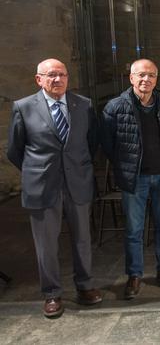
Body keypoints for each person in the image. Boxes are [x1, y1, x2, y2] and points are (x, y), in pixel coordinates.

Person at [7, 59, 102, 318]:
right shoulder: (24, 107)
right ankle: (52, 293)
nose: (57, 79)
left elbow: (91, 141)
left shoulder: (83, 105)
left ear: (68, 78)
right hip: (42, 186)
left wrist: (76, 167)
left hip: (77, 183)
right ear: (39, 79)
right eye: (51, 75)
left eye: (62, 74)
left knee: (82, 239)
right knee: (46, 244)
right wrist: (37, 170)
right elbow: (15, 150)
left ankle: (85, 286)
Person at [102, 59, 160, 299]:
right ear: (131, 78)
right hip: (135, 179)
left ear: (156, 79)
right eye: (141, 75)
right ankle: (134, 275)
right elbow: (107, 145)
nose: (146, 79)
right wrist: (125, 167)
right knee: (134, 229)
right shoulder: (115, 107)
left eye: (151, 75)